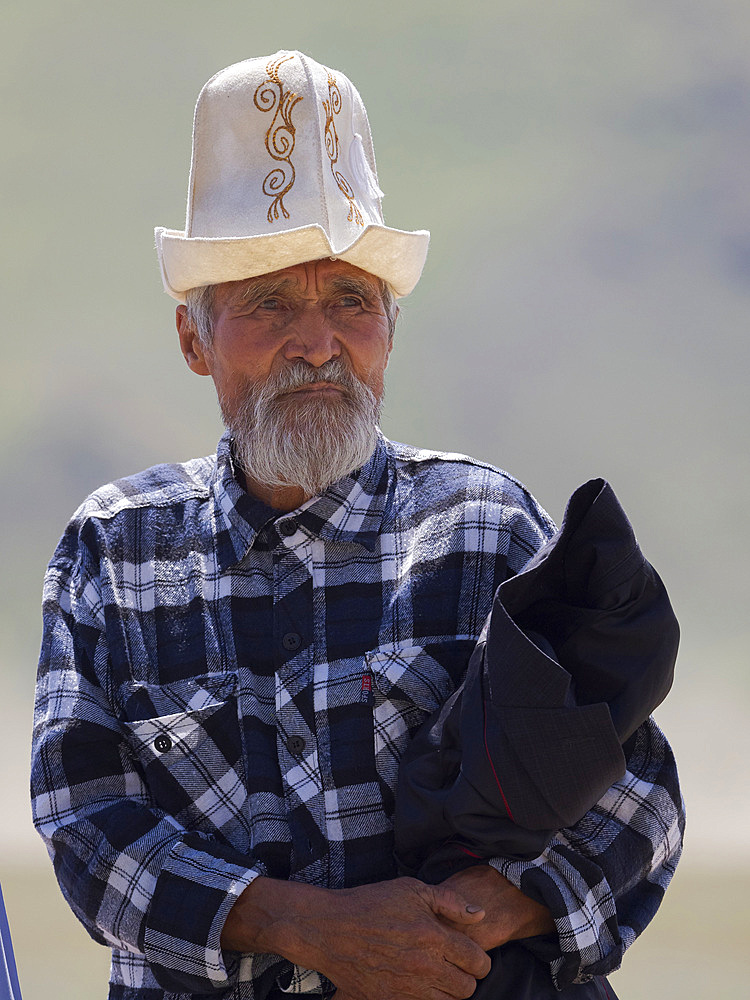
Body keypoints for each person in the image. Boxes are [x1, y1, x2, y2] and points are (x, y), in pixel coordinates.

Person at [31, 51, 684, 1000]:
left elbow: (641, 793)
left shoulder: (484, 530)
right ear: (192, 338)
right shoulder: (117, 552)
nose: (317, 342)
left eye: (350, 300)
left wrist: (498, 904)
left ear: (389, 329)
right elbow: (86, 829)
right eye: (268, 302)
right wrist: (318, 929)